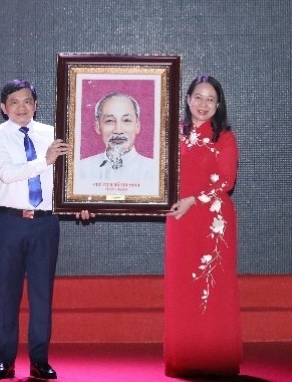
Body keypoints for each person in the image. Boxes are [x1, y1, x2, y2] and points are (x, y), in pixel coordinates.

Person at [0, 79, 70, 381]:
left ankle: (39, 360)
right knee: (7, 294)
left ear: (36, 104)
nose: (22, 108)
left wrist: (82, 200)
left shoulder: (53, 134)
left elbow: (69, 178)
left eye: (27, 101)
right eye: (14, 102)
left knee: (41, 295)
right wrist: (43, 160)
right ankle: (4, 361)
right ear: (3, 107)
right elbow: (6, 174)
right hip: (9, 222)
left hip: (45, 223)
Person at [164, 75, 242, 377]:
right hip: (179, 218)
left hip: (213, 219)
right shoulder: (174, 136)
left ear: (218, 104)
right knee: (182, 285)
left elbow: (227, 180)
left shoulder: (225, 137)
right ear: (187, 99)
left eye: (210, 99)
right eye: (198, 97)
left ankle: (215, 358)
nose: (203, 104)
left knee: (213, 287)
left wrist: (194, 199)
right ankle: (185, 358)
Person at [74, 92, 158, 196]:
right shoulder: (81, 169)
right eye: (109, 121)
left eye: (126, 120)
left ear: (137, 126)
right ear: (97, 127)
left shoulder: (155, 170)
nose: (118, 130)